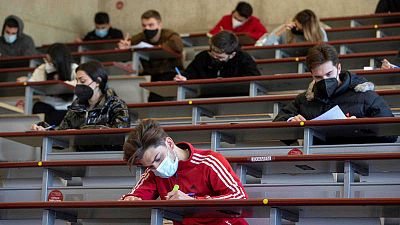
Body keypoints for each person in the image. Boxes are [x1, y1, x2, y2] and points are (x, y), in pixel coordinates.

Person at [120, 119, 248, 225]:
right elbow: (136, 196)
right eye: (150, 166)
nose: (157, 168)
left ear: (169, 143)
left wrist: (194, 202)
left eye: (158, 159)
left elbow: (240, 197)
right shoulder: (153, 172)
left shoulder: (209, 161)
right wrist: (131, 199)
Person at [273, 43, 397, 144]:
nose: (325, 81)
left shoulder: (365, 95)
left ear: (338, 68)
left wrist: (360, 125)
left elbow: (391, 133)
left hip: (357, 160)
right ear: (311, 74)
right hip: (318, 163)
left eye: (329, 74)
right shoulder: (305, 100)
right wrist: (291, 122)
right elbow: (277, 127)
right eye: (318, 77)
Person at [118, 10, 184, 102]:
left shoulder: (170, 35)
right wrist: (125, 46)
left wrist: (158, 47)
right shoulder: (141, 36)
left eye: (151, 25)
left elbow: (178, 45)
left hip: (170, 73)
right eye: (144, 26)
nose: (147, 28)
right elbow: (129, 43)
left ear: (160, 25)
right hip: (150, 74)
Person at [17, 43, 78, 126]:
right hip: (47, 104)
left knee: (61, 116)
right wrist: (28, 80)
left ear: (59, 61)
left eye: (51, 61)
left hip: (65, 106)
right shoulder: (42, 68)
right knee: (38, 107)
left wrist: (59, 84)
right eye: (47, 60)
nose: (48, 64)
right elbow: (33, 81)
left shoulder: (73, 68)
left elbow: (79, 83)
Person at [174, 31, 260, 81]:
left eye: (220, 57)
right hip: (205, 97)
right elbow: (189, 74)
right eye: (212, 55)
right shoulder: (203, 57)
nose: (215, 58)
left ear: (232, 54)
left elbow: (254, 79)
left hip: (236, 97)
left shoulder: (244, 59)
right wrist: (182, 77)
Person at [255, 9, 327, 46]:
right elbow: (266, 45)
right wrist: (279, 32)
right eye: (295, 25)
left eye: (300, 29)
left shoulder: (320, 33)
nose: (296, 30)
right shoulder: (287, 30)